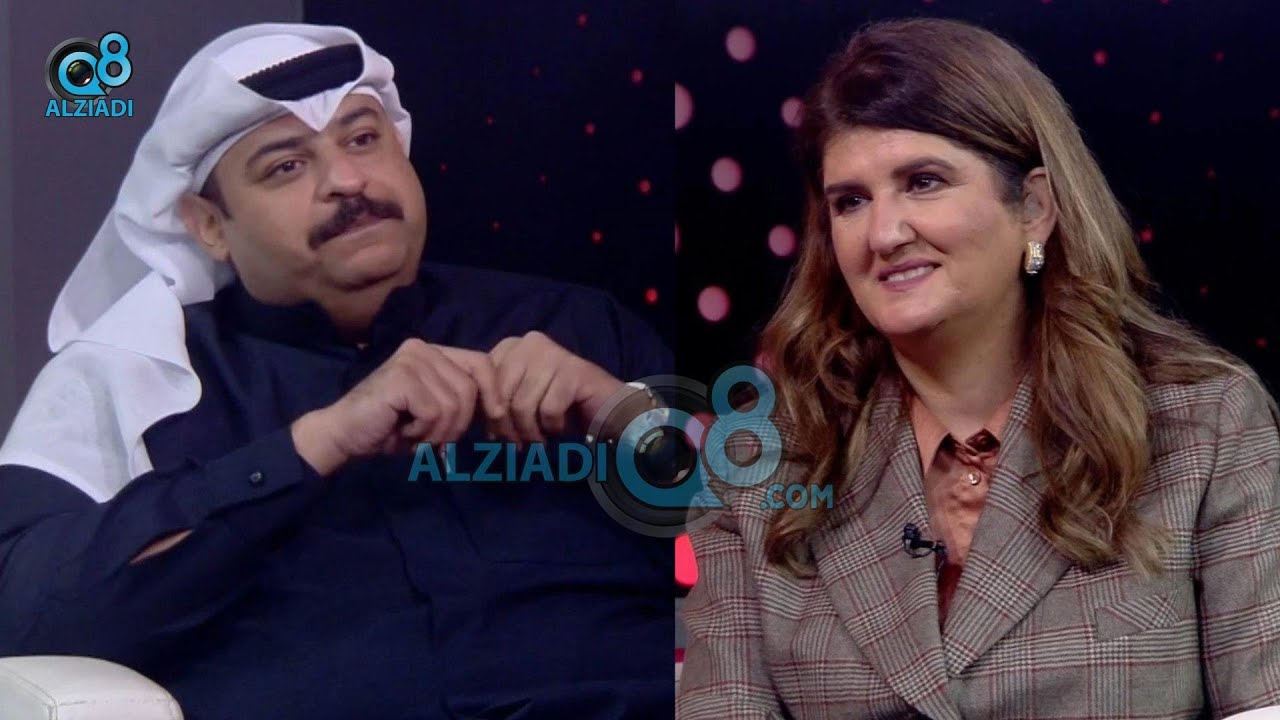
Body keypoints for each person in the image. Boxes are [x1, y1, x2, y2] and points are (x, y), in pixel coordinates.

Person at [0, 23, 673, 719]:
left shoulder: (575, 326)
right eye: (286, 167)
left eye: (362, 139)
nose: (348, 181)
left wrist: (622, 418)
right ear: (209, 227)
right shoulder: (130, 375)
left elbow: (740, 544)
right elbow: (21, 614)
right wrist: (314, 444)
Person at [677, 17, 1280, 720]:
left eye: (923, 182)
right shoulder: (754, 465)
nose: (884, 234)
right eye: (851, 201)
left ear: (1034, 208)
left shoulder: (1205, 424)